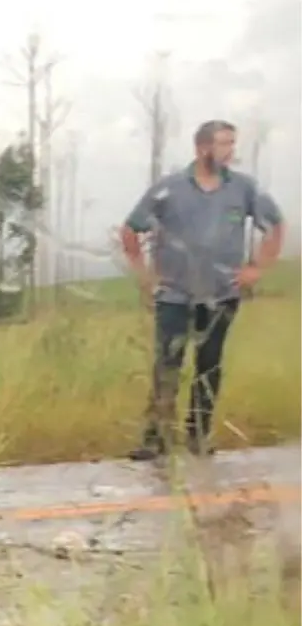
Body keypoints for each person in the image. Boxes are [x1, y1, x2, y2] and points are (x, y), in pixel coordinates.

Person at [120, 119, 286, 459]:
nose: (230, 151)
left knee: (209, 364)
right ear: (202, 148)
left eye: (232, 144)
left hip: (221, 294)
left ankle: (199, 436)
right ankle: (157, 438)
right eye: (224, 144)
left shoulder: (244, 188)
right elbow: (130, 230)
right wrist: (145, 276)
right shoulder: (169, 188)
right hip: (174, 295)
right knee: (167, 363)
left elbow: (275, 225)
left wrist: (256, 268)